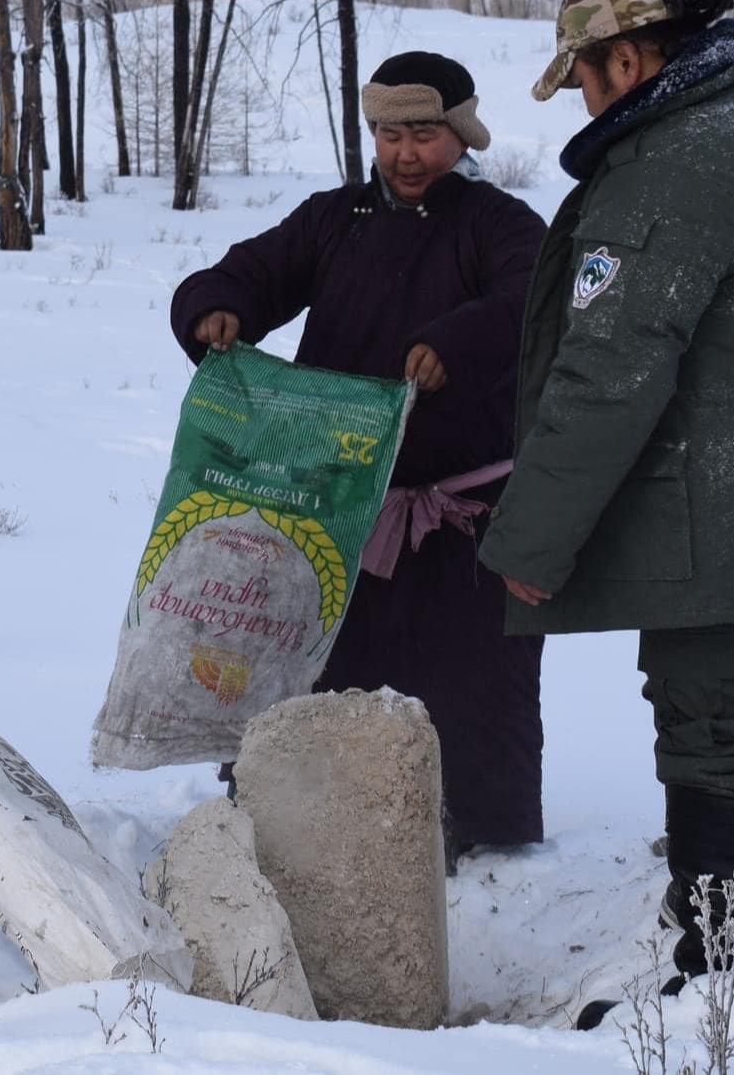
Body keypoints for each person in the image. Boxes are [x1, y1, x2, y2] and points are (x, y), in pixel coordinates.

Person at [478, 0, 734, 982]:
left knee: (704, 715)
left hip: (715, 497)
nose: (583, 99)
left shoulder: (673, 166)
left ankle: (724, 965)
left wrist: (533, 539)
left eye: (583, 78)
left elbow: (608, 371)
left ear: (626, 56)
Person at [171, 51, 548, 866]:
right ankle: (297, 817)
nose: (406, 154)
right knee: (315, 670)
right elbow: (255, 270)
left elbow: (531, 305)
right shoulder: (334, 220)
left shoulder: (500, 224)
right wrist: (216, 306)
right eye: (388, 135)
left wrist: (455, 343)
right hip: (334, 504)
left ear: (461, 133)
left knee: (472, 681)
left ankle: (485, 847)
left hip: (462, 515)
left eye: (424, 134)